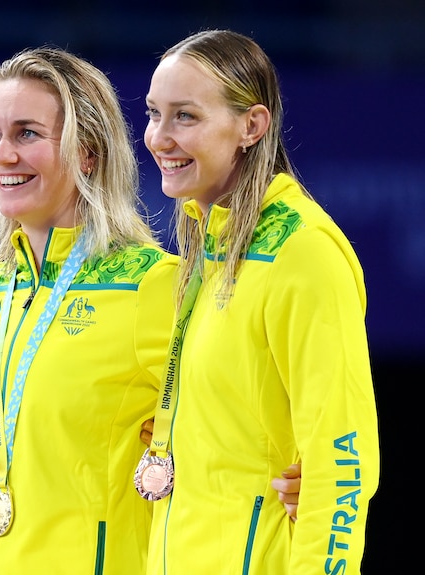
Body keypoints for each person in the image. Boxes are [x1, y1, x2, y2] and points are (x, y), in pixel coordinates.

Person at [141, 29, 379, 573]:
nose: (158, 136)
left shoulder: (303, 253)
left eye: (185, 116)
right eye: (155, 113)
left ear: (251, 125)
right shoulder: (206, 249)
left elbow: (342, 459)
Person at [0, 46, 180, 575]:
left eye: (27, 133)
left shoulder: (151, 284)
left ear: (87, 153)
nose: (2, 155)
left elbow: (238, 431)